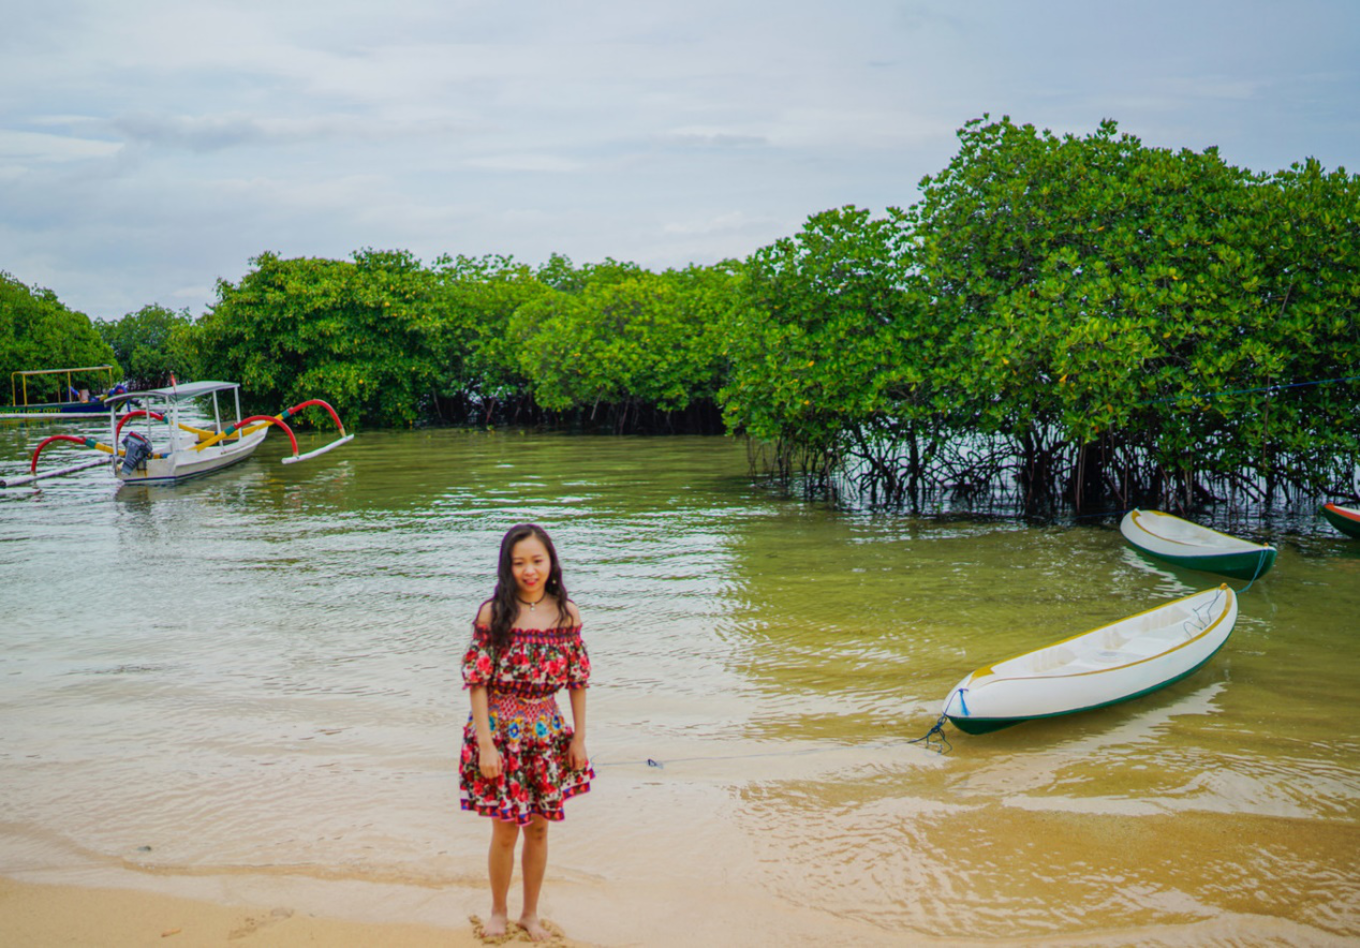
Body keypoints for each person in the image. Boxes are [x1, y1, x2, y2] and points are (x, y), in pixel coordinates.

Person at [460, 523, 592, 941]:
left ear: (550, 563)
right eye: (519, 563)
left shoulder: (567, 614)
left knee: (538, 827)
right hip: (500, 732)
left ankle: (529, 914)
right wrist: (485, 744)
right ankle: (497, 911)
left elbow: (578, 680)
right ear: (507, 567)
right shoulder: (493, 613)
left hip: (547, 732)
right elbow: (477, 681)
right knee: (504, 829)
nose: (529, 570)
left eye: (537, 561)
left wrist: (579, 738)